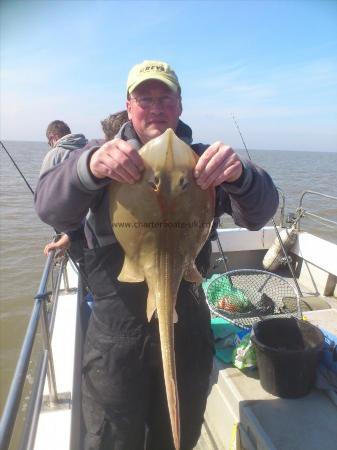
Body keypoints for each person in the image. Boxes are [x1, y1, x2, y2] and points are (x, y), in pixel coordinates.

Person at [35, 60, 279, 450]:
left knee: (178, 437)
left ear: (180, 105)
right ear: (128, 106)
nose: (156, 106)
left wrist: (242, 175)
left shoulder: (201, 161)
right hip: (115, 340)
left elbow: (260, 214)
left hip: (188, 334)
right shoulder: (101, 156)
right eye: (144, 98)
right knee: (114, 440)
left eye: (165, 97)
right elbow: (50, 209)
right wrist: (86, 170)